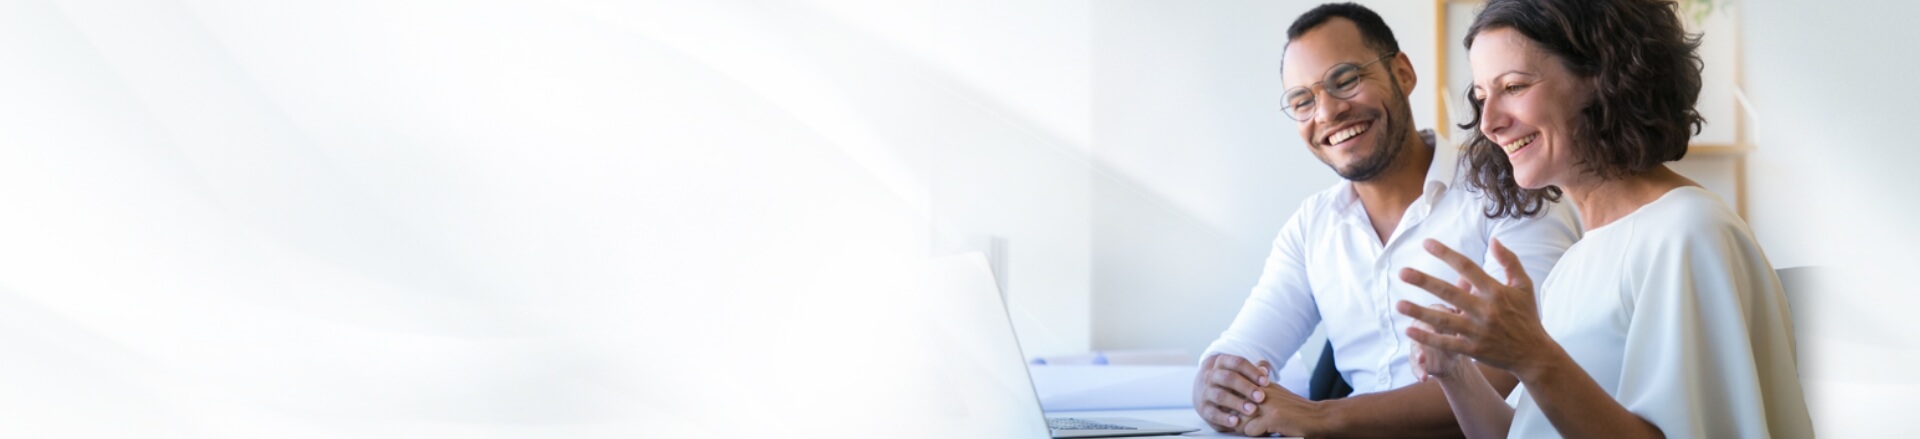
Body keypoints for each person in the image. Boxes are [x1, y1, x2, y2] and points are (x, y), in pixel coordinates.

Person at [1395, 0, 1814, 437]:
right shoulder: (1578, 261)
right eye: (1482, 97)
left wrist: (1531, 355)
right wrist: (1454, 373)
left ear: (1602, 76)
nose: (1489, 123)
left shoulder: (1688, 233)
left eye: (1514, 87)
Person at [1191, 3, 1581, 437]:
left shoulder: (1513, 190)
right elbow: (1242, 348)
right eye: (1303, 101)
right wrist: (1216, 383)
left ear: (1403, 74)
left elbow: (1509, 365)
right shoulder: (1312, 227)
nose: (1326, 112)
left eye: (1345, 80)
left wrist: (1325, 417)